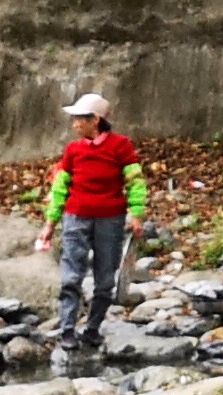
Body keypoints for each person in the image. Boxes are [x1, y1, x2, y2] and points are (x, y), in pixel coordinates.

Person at [44, 93, 148, 354]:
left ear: (95, 120)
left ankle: (92, 329)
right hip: (76, 217)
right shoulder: (73, 150)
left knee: (104, 280)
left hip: (110, 220)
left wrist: (136, 215)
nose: (75, 124)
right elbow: (60, 188)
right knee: (71, 276)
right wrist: (50, 223)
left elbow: (135, 182)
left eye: (80, 119)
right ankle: (67, 330)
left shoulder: (120, 147)